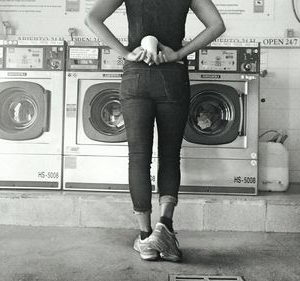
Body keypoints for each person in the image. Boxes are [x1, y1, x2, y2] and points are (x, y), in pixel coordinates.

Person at [85, 0, 225, 262]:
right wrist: (179, 53)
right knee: (170, 156)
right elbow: (217, 25)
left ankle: (146, 237)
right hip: (172, 74)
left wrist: (126, 53)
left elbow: (92, 18)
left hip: (136, 73)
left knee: (139, 157)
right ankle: (165, 226)